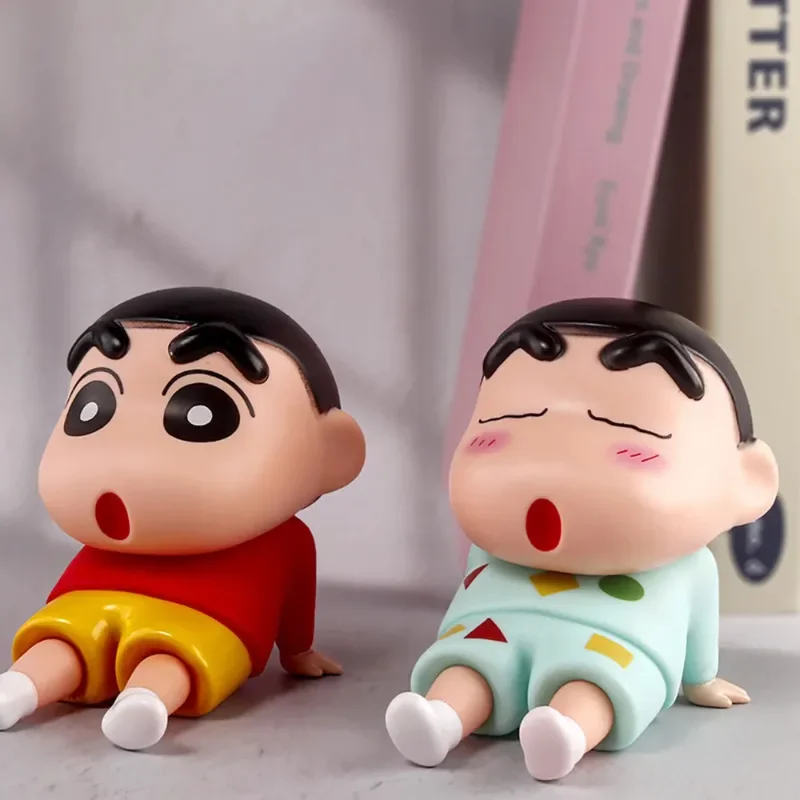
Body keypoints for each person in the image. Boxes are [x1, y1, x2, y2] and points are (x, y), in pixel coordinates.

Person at [385, 297, 779, 781]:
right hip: (493, 627)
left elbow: (697, 629)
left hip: (615, 642)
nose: (555, 462)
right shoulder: (494, 548)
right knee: (469, 668)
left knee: (594, 684)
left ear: (748, 480)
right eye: (514, 418)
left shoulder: (686, 567)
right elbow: (471, 585)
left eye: (629, 429)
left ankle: (566, 734)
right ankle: (440, 720)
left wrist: (700, 680)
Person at [0, 286, 366, 751]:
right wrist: (297, 653)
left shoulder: (284, 541)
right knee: (62, 645)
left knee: (172, 658)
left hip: (210, 618)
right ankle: (18, 689)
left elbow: (295, 597)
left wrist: (297, 651)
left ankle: (145, 704)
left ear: (330, 453)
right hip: (91, 597)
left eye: (202, 414)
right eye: (93, 407)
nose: (127, 453)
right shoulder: (103, 547)